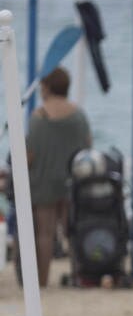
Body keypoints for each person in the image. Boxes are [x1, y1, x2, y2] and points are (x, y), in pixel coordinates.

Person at [23, 67, 91, 288]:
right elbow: (88, 147)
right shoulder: (79, 115)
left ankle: (42, 281)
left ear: (48, 87)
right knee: (72, 231)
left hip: (44, 183)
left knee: (45, 234)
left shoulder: (39, 117)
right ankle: (78, 276)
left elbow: (29, 155)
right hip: (73, 182)